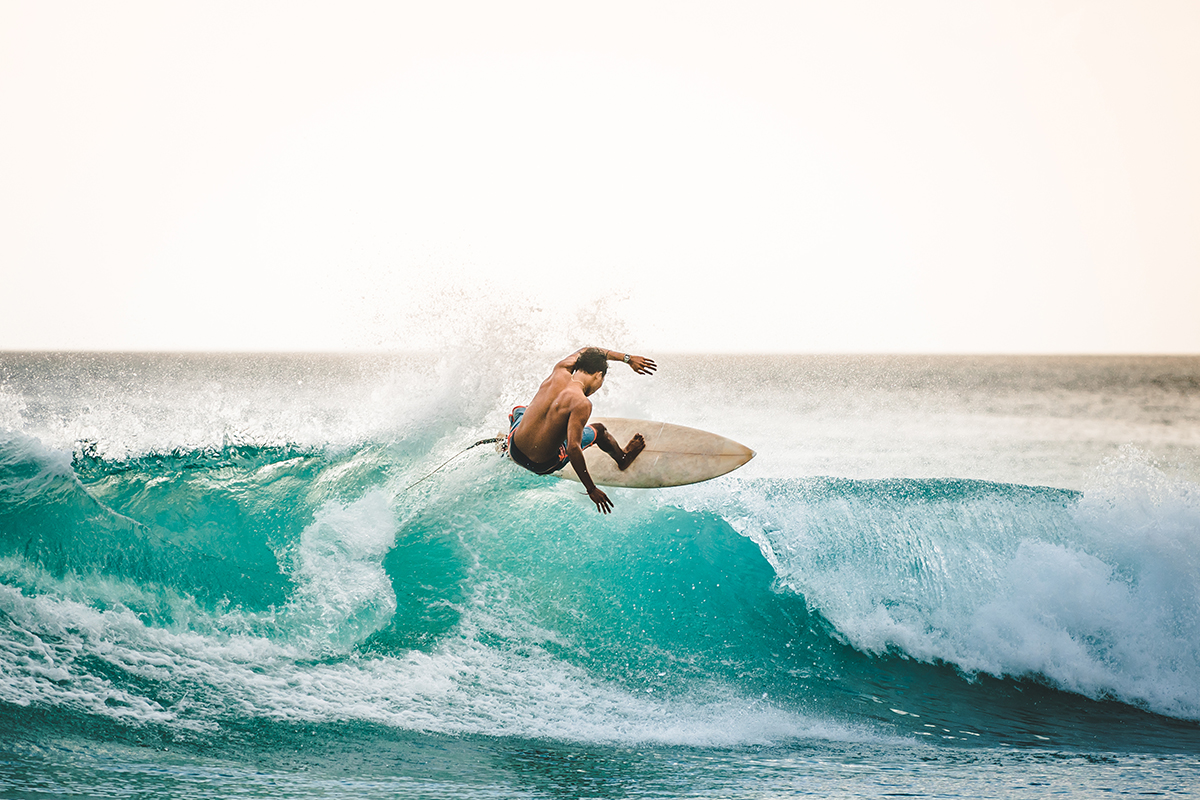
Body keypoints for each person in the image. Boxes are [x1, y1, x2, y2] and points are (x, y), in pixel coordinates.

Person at [507, 347, 657, 514]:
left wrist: (628, 358)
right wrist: (591, 489)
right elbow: (573, 448)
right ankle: (623, 458)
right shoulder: (581, 403)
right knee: (599, 430)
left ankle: (505, 447)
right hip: (541, 465)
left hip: (514, 449)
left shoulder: (560, 369)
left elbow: (587, 349)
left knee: (520, 410)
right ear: (598, 375)